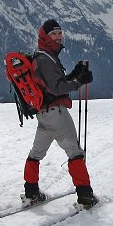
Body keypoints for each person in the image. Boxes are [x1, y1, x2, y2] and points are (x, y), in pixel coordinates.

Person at [22, 19, 97, 207]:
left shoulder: (44, 56)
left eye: (59, 33)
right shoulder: (45, 59)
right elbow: (57, 88)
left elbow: (52, 85)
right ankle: (85, 197)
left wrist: (74, 75)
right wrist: (80, 81)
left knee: (36, 154)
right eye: (53, 34)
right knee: (75, 152)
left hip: (44, 115)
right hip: (57, 114)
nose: (58, 37)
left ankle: (31, 193)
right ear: (44, 37)